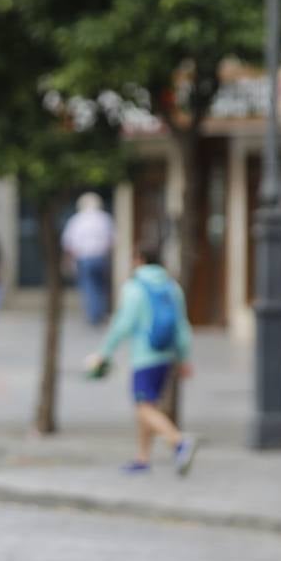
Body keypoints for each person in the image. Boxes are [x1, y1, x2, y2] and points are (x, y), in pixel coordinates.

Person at [86, 243, 198, 475]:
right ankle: (142, 458)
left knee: (143, 408)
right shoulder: (171, 286)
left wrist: (104, 352)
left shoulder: (134, 287)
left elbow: (122, 324)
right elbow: (182, 326)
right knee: (149, 404)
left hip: (144, 357)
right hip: (166, 355)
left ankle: (178, 442)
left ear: (139, 259)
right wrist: (184, 357)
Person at [61, 192, 115, 326]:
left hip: (84, 257)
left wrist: (68, 260)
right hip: (100, 257)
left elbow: (68, 242)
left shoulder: (77, 219)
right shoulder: (105, 218)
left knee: (89, 287)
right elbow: (112, 240)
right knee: (101, 287)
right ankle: (99, 314)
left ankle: (93, 316)